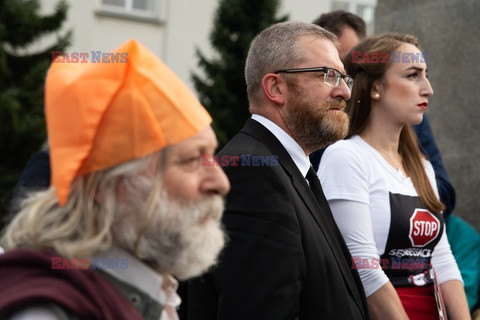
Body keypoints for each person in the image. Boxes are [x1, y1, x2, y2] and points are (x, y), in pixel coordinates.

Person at [0, 39, 230, 320]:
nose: (221, 182)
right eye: (192, 159)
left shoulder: (157, 294)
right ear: (105, 186)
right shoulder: (47, 311)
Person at [185, 21, 369, 319]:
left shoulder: (289, 167)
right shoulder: (253, 172)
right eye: (328, 75)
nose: (344, 93)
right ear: (275, 87)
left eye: (344, 78)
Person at [318, 32, 470, 319]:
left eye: (425, 75)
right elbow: (363, 268)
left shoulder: (421, 166)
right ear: (375, 87)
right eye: (413, 75)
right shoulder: (346, 157)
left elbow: (443, 260)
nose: (428, 89)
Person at [310, 10, 456, 219]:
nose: (346, 81)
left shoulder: (414, 129)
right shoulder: (328, 140)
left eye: (354, 63)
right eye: (332, 72)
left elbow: (443, 197)